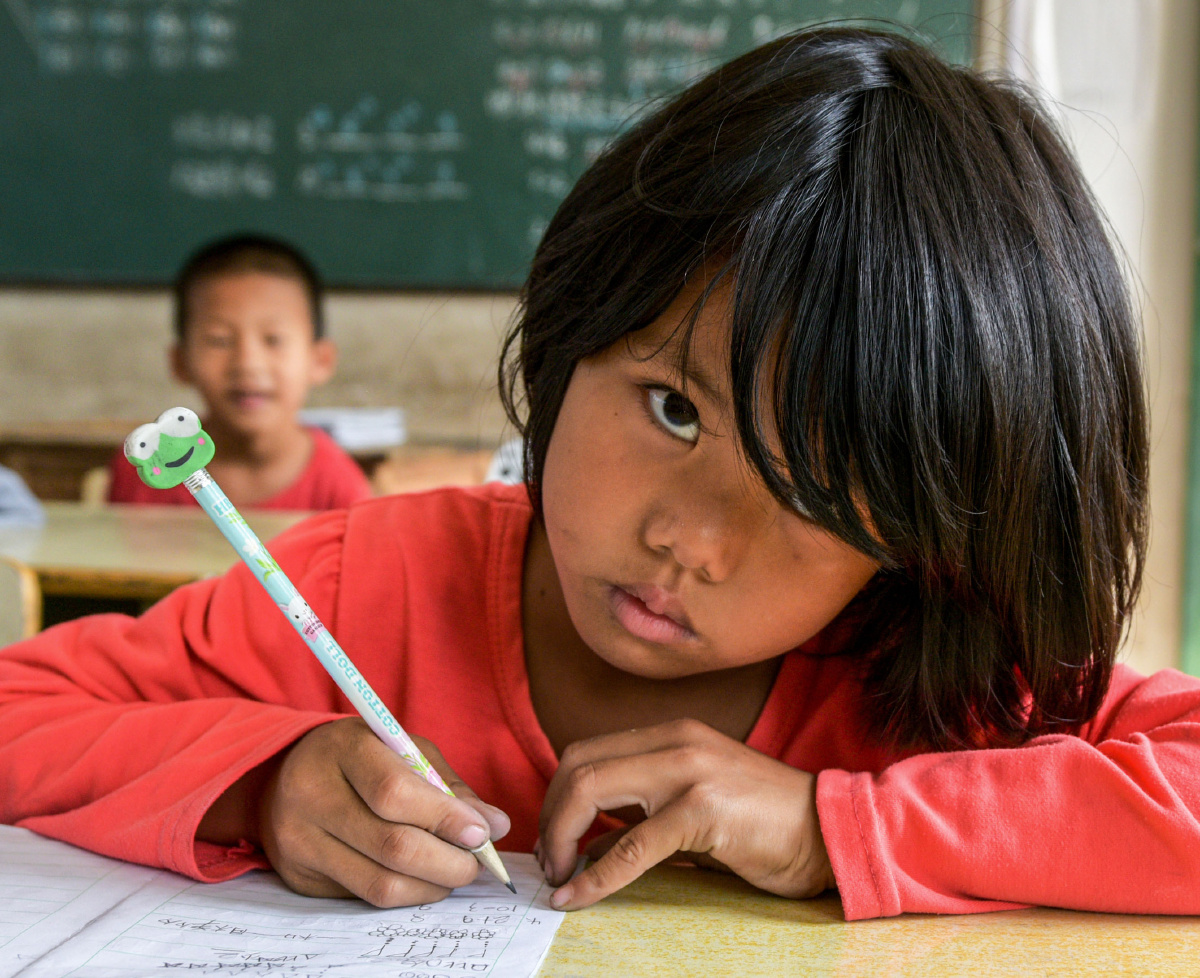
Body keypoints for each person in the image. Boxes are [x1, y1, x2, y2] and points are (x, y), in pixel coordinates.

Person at [2, 27, 1198, 923]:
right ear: (577, 329)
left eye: (812, 494)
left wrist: (832, 826)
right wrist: (260, 787)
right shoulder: (364, 588)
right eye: (674, 408)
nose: (689, 537)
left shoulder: (949, 678)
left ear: (921, 537)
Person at [106, 234, 373, 510]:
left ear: (320, 360)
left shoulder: (340, 489)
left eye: (274, 339)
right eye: (219, 340)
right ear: (180, 362)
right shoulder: (147, 467)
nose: (247, 363)